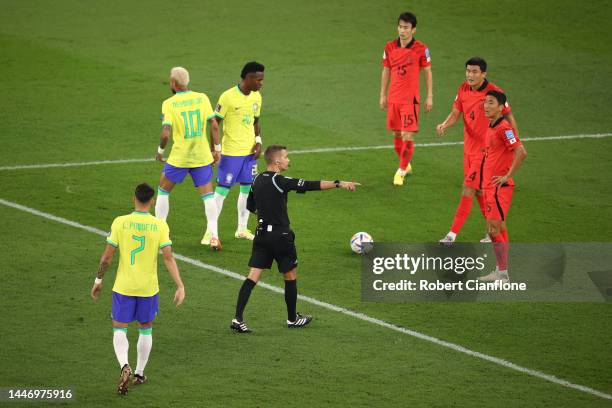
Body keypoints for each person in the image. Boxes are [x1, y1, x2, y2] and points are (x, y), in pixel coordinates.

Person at [230, 145, 359, 333]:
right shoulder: (279, 180)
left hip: (261, 234)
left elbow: (250, 206)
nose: (288, 160)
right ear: (277, 161)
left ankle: (238, 318)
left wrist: (267, 213)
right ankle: (292, 319)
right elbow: (309, 185)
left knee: (253, 276)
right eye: (286, 157)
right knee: (290, 276)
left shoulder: (256, 179)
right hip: (281, 237)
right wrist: (338, 183)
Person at [91, 183, 185, 395]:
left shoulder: (120, 222)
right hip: (148, 288)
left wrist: (98, 280)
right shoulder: (160, 225)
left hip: (123, 286)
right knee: (145, 328)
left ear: (134, 199)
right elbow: (168, 258)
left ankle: (125, 365)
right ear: (152, 201)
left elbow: (107, 256)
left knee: (119, 328)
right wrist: (179, 285)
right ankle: (140, 373)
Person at [437, 58, 519, 245]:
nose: (470, 75)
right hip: (469, 150)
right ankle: (492, 231)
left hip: (486, 152)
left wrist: (514, 144)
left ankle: (451, 235)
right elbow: (456, 112)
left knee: (468, 188)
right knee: (481, 192)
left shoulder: (495, 94)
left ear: (484, 74)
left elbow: (509, 118)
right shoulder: (463, 89)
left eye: (474, 72)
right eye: (468, 71)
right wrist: (445, 124)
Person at [154, 67, 222, 250]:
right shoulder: (202, 98)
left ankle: (160, 235)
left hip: (179, 157)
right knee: (208, 196)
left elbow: (166, 133)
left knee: (163, 191)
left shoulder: (169, 103)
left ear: (174, 83)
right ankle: (214, 236)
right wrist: (218, 150)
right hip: (201, 156)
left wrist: (160, 151)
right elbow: (214, 125)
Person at [207, 61, 264, 245]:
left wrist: (258, 141)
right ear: (247, 77)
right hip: (231, 154)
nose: (261, 83)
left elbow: (256, 121)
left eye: (262, 79)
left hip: (249, 154)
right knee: (221, 192)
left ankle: (241, 229)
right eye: (258, 79)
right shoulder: (228, 97)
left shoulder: (257, 97)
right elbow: (215, 123)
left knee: (247, 190)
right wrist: (215, 150)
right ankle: (210, 232)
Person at [478, 91, 527, 282]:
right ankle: (501, 271)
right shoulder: (492, 126)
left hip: (500, 188)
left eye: (491, 103)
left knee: (493, 230)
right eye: (485, 102)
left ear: (501, 107)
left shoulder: (504, 128)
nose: (486, 106)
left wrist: (507, 175)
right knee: (499, 228)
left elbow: (521, 152)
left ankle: (503, 275)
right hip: (490, 187)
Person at [380, 12, 433, 186]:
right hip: (394, 98)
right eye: (400, 27)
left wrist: (429, 96)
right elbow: (386, 70)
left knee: (407, 135)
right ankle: (406, 164)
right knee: (396, 133)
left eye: (406, 28)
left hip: (411, 100)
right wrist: (383, 94)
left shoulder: (421, 48)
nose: (402, 31)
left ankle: (401, 171)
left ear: (413, 29)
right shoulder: (389, 47)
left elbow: (427, 72)